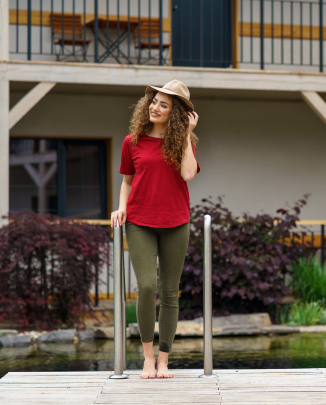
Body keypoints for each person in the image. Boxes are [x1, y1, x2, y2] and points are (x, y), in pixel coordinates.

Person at [111, 80, 200, 379]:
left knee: (169, 292)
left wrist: (187, 134)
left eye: (164, 104)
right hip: (139, 222)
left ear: (176, 113)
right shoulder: (132, 141)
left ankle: (164, 359)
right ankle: (147, 357)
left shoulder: (182, 142)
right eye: (153, 101)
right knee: (147, 287)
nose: (154, 106)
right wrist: (121, 207)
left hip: (176, 222)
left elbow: (188, 174)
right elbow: (126, 182)